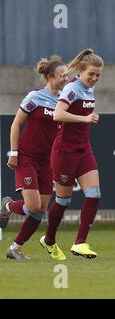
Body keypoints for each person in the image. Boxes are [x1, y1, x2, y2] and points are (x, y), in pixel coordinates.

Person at [0, 56, 68, 260]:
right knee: (32, 206)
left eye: (67, 75)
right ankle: (5, 206)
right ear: (49, 77)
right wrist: (14, 152)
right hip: (27, 157)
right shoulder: (34, 97)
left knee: (40, 210)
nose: (65, 79)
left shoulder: (65, 102)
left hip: (47, 161)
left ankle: (15, 248)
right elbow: (15, 125)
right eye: (61, 75)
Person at [39, 48, 104, 260]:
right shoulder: (72, 89)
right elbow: (58, 114)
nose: (94, 78)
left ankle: (80, 243)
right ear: (81, 72)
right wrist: (85, 119)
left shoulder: (89, 90)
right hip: (64, 152)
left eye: (98, 75)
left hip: (83, 150)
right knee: (63, 201)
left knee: (94, 195)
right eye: (91, 74)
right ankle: (48, 240)